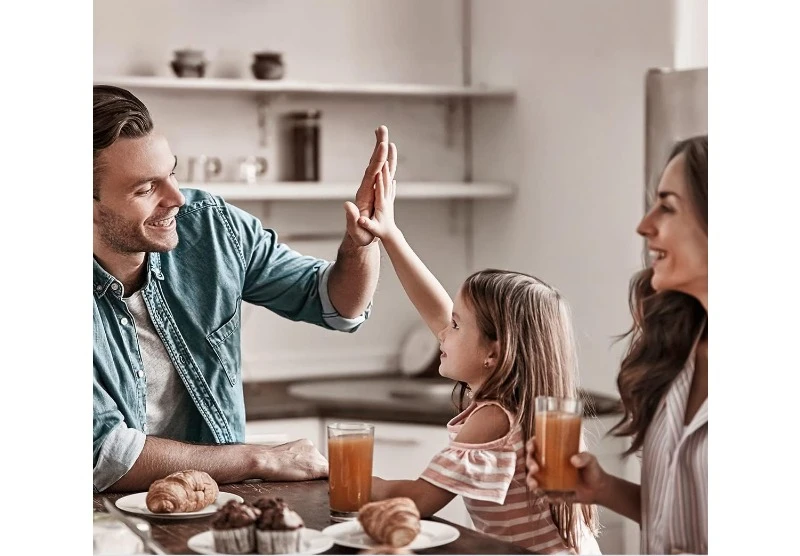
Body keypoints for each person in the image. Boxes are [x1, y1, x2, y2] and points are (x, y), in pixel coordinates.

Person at [93, 84, 396, 493]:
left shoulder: (213, 227)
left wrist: (363, 241)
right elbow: (102, 453)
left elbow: (336, 304)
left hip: (215, 506)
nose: (177, 198)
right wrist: (261, 457)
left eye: (172, 173)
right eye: (146, 189)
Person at [354, 161, 600, 554]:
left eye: (455, 325)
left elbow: (419, 499)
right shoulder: (520, 403)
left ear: (494, 352)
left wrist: (339, 474)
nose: (441, 333)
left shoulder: (494, 417)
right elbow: (437, 311)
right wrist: (391, 236)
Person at [525, 135, 708, 555]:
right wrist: (603, 488)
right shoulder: (680, 350)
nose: (645, 225)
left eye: (668, 205)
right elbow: (678, 519)